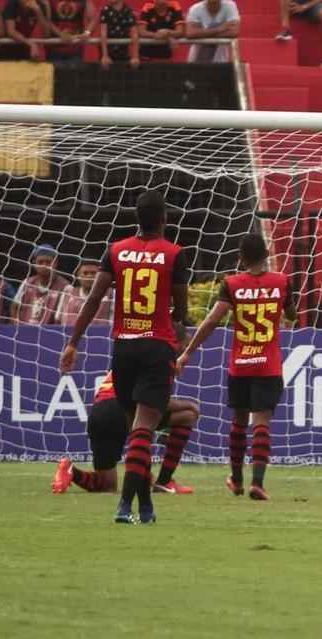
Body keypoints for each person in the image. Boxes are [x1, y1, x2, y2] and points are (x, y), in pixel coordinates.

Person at [59, 189, 190, 524]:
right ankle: (124, 505)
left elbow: (93, 300)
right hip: (156, 346)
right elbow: (181, 312)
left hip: (123, 348)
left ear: (137, 219)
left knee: (136, 430)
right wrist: (178, 346)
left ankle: (145, 508)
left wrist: (73, 342)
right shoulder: (174, 254)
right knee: (144, 428)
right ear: (164, 220)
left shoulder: (115, 252)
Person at [176, 234, 298, 501]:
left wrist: (187, 353)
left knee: (239, 422)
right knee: (262, 422)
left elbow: (210, 322)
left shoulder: (232, 284)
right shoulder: (281, 282)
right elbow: (292, 315)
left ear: (241, 258)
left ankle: (237, 479)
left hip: (241, 365)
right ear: (267, 255)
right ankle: (258, 483)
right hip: (268, 365)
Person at [52, 364, 200, 495]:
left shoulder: (129, 356)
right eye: (185, 345)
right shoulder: (159, 359)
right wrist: (190, 405)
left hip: (99, 413)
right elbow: (153, 402)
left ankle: (71, 470)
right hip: (122, 410)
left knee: (107, 485)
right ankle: (165, 481)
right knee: (187, 415)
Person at [14, 244, 70, 324]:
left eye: (48, 262)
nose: (44, 265)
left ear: (56, 263)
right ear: (34, 263)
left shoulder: (65, 287)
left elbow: (62, 319)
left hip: (50, 333)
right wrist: (16, 324)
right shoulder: (27, 282)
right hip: (24, 331)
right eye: (40, 262)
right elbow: (15, 306)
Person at [57, 260, 114, 325]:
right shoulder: (68, 293)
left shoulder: (111, 294)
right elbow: (58, 320)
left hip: (100, 333)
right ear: (78, 276)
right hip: (68, 333)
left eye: (93, 273)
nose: (89, 276)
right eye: (85, 273)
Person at [99, 0, 139, 68]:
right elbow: (103, 33)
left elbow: (134, 34)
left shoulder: (129, 11)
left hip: (124, 54)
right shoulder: (105, 10)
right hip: (108, 53)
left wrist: (135, 56)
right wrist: (105, 55)